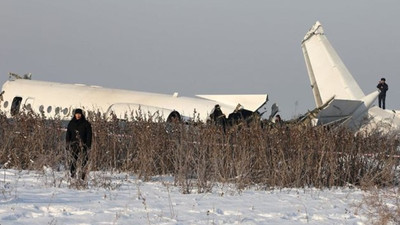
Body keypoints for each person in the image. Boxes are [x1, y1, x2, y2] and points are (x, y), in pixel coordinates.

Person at [66, 108, 92, 180]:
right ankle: (72, 174)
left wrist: (88, 145)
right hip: (74, 145)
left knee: (84, 160)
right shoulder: (71, 123)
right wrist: (68, 144)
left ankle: (82, 175)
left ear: (81, 114)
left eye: (79, 114)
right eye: (77, 114)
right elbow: (68, 135)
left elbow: (89, 136)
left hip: (83, 145)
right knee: (73, 160)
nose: (78, 115)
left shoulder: (86, 124)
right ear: (74, 114)